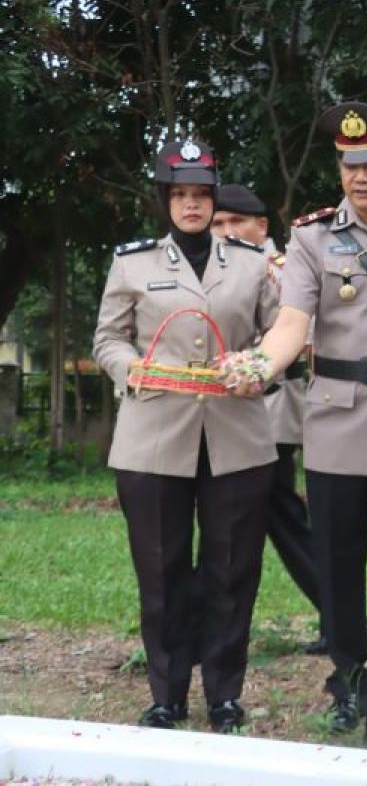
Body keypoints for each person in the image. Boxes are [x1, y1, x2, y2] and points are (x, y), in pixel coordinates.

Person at [237, 103, 367, 752]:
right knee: (338, 562)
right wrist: (258, 365)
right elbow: (292, 326)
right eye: (350, 165)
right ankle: (347, 674)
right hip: (337, 418)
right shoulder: (313, 239)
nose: (361, 176)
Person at [93, 140, 279, 733]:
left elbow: (281, 337)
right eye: (181, 195)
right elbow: (108, 339)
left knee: (231, 568)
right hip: (154, 433)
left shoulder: (251, 263)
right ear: (166, 202)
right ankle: (166, 694)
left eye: (202, 195)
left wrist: (258, 367)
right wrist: (131, 369)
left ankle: (225, 693)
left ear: (214, 198)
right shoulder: (134, 264)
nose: (193, 205)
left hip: (237, 434)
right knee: (162, 567)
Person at [211, 184, 326, 654]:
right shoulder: (214, 271)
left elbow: (304, 340)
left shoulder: (280, 270)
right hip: (220, 411)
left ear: (262, 227)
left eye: (237, 222)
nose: (227, 232)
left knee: (278, 514)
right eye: (218, 224)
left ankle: (338, 614)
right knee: (253, 517)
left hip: (272, 408)